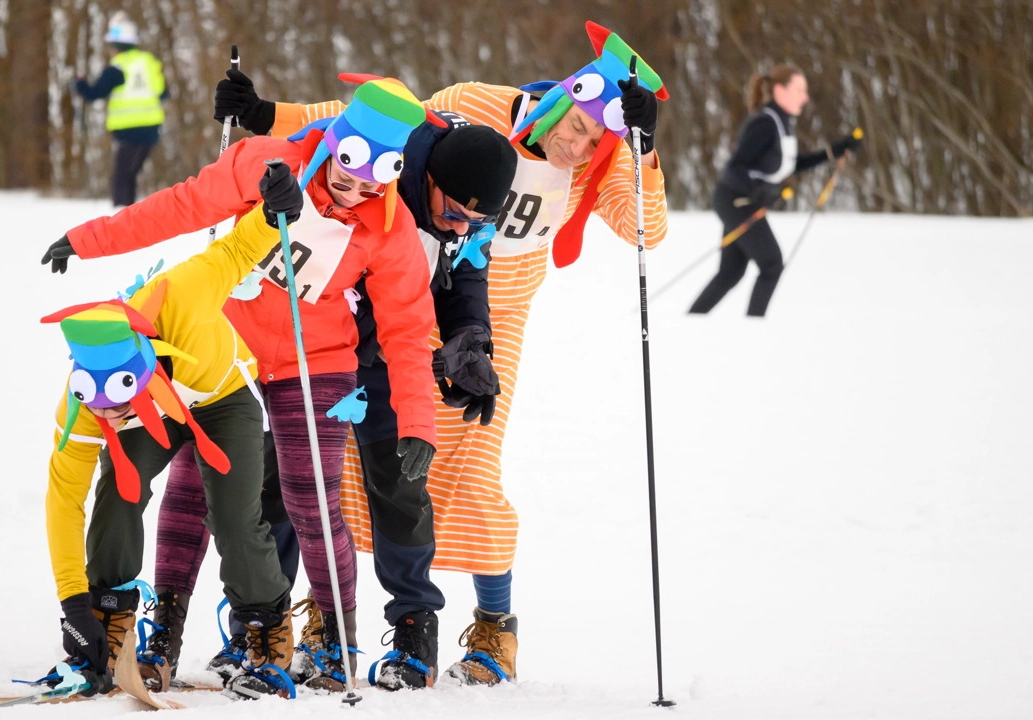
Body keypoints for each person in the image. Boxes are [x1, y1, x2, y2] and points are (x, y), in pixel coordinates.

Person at [219, 20, 670, 686]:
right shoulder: (480, 105)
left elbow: (646, 229)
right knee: (347, 460)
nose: (576, 146)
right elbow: (371, 120)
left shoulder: (602, 166)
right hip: (395, 300)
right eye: (574, 127)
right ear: (557, 100)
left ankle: (495, 628)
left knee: (468, 470)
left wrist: (643, 150)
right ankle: (323, 615)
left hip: (489, 321)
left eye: (594, 139)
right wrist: (265, 116)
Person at [41, 74, 439, 695]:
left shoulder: (390, 228)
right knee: (194, 487)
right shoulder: (266, 163)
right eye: (346, 170)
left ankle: (332, 641)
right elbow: (179, 207)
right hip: (232, 351)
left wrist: (416, 421)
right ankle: (163, 631)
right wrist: (90, 240)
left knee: (312, 500)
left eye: (372, 182)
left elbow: (409, 330)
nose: (354, 189)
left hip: (319, 359)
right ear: (335, 142)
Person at [162, 80, 519, 689]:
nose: (461, 227)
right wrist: (261, 112)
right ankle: (266, 625)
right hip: (318, 344)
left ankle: (413, 630)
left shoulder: (469, 211)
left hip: (387, 352)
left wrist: (471, 341)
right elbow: (327, 120)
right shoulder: (388, 153)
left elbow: (467, 273)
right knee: (280, 481)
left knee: (400, 482)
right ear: (424, 173)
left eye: (476, 220)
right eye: (454, 212)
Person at [40, 169, 302, 698]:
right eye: (100, 407)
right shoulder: (85, 400)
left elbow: (232, 252)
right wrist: (73, 605)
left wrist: (273, 213)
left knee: (233, 514)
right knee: (118, 490)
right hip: (155, 418)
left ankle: (264, 625)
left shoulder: (182, 292)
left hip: (221, 398)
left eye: (119, 403)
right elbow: (63, 499)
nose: (107, 417)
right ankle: (107, 619)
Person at [688, 64, 861, 317]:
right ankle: (754, 328)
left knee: (731, 272)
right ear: (780, 91)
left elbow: (791, 165)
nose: (805, 97)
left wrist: (834, 151)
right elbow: (736, 166)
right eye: (799, 90)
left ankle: (692, 321)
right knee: (771, 264)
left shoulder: (782, 123)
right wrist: (758, 190)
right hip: (735, 200)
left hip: (744, 201)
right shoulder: (764, 123)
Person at [74, 12, 169, 208]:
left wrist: (79, 85)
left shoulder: (117, 68)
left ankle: (120, 217)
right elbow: (163, 93)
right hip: (151, 129)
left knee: (121, 177)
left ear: (116, 47)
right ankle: (129, 214)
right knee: (130, 175)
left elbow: (95, 93)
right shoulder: (148, 62)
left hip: (128, 130)